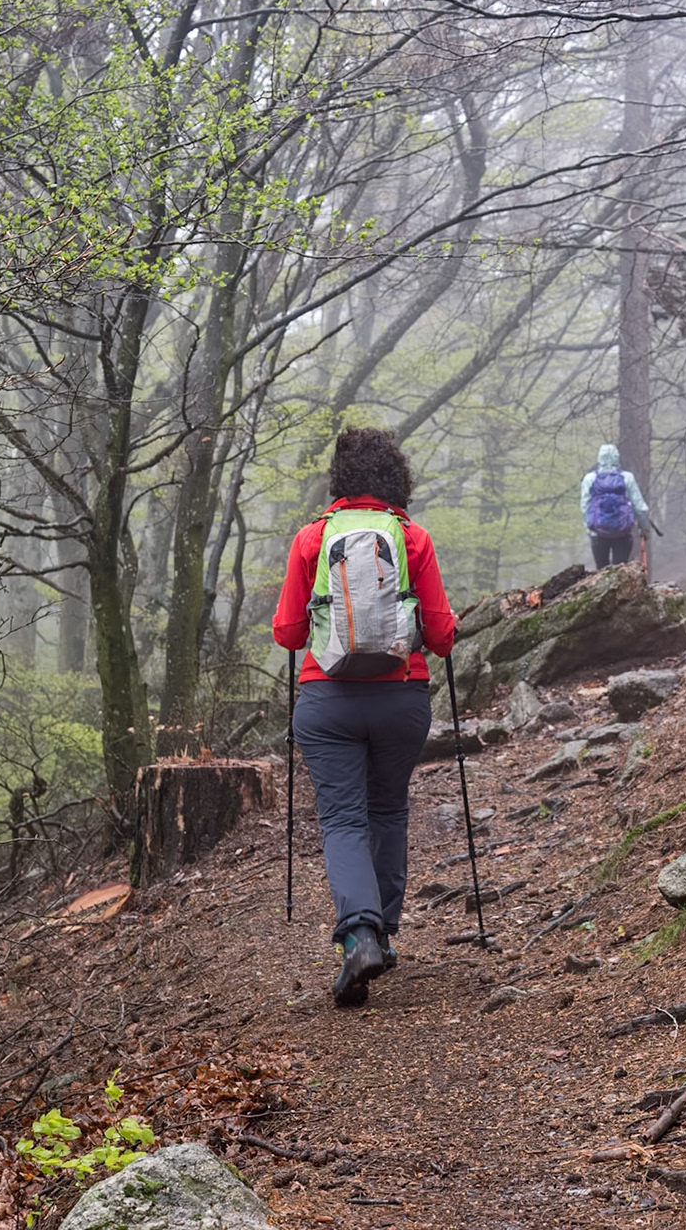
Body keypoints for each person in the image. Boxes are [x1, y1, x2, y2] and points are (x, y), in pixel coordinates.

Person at [272, 427, 457, 1007]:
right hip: (402, 700)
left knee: (345, 819)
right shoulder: (412, 538)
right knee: (388, 809)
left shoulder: (312, 538)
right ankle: (382, 933)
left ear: (340, 481)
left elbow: (288, 633)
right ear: (396, 478)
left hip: (327, 704)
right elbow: (445, 637)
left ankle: (360, 934)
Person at [579, 443, 650, 568]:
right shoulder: (627, 477)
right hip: (623, 533)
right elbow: (640, 507)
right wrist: (645, 529)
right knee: (620, 570)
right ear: (617, 457)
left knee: (601, 572)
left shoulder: (590, 478)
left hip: (598, 534)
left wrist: (590, 529)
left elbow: (585, 506)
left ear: (599, 458)